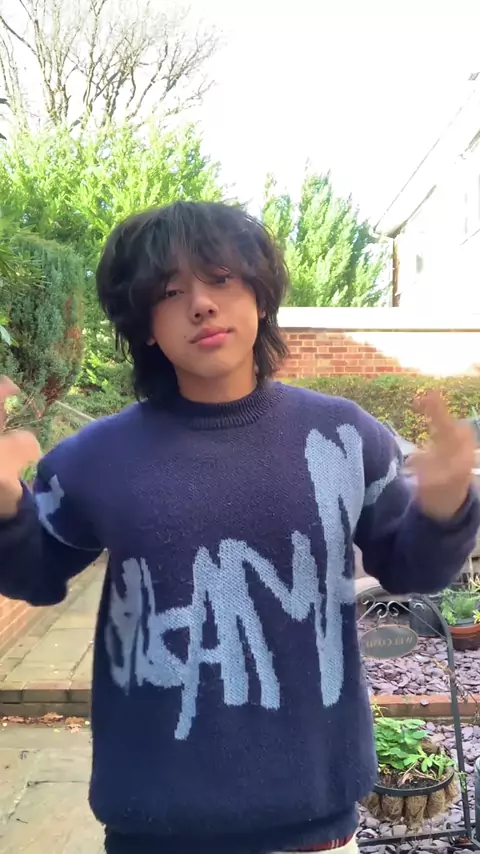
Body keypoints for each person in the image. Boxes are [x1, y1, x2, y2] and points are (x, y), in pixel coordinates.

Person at [0, 201, 478, 854]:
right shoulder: (95, 458)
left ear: (259, 293)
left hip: (314, 820)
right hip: (153, 825)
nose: (201, 304)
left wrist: (445, 508)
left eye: (220, 278)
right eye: (170, 292)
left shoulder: (342, 436)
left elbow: (412, 567)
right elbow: (34, 572)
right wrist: (7, 506)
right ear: (144, 325)